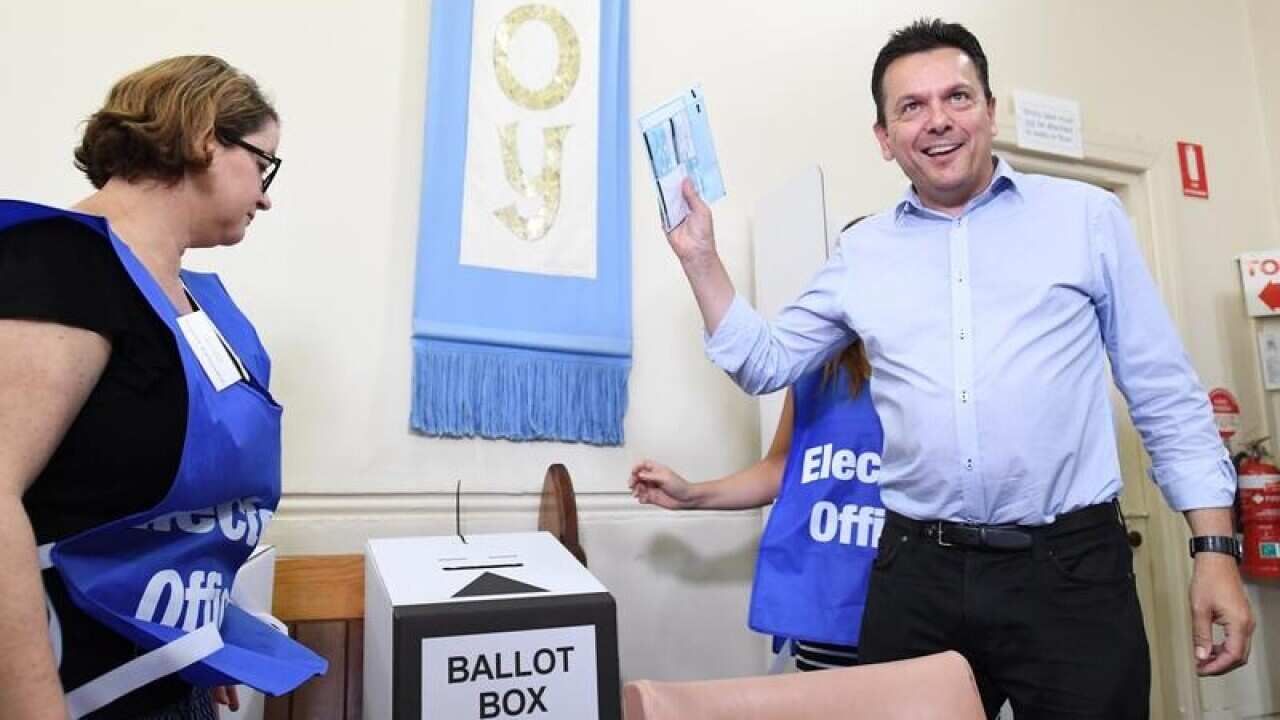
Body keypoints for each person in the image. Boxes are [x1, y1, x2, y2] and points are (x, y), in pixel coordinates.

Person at [662, 18, 1253, 718]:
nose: (937, 121)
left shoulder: (1086, 219)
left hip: (1069, 573)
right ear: (885, 139)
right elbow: (765, 363)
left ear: (990, 111)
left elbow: (1165, 395)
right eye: (911, 107)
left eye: (957, 97)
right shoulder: (863, 255)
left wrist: (1213, 548)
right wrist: (700, 256)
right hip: (917, 573)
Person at [0, 56, 323, 720]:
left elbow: (141, 498)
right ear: (207, 136)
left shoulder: (189, 299)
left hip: (166, 673)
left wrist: (197, 634)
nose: (266, 194)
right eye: (263, 165)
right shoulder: (61, 263)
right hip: (72, 689)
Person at [631, 332, 883, 672]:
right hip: (830, 596)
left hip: (913, 586)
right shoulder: (820, 365)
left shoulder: (939, 367)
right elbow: (783, 466)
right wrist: (691, 494)